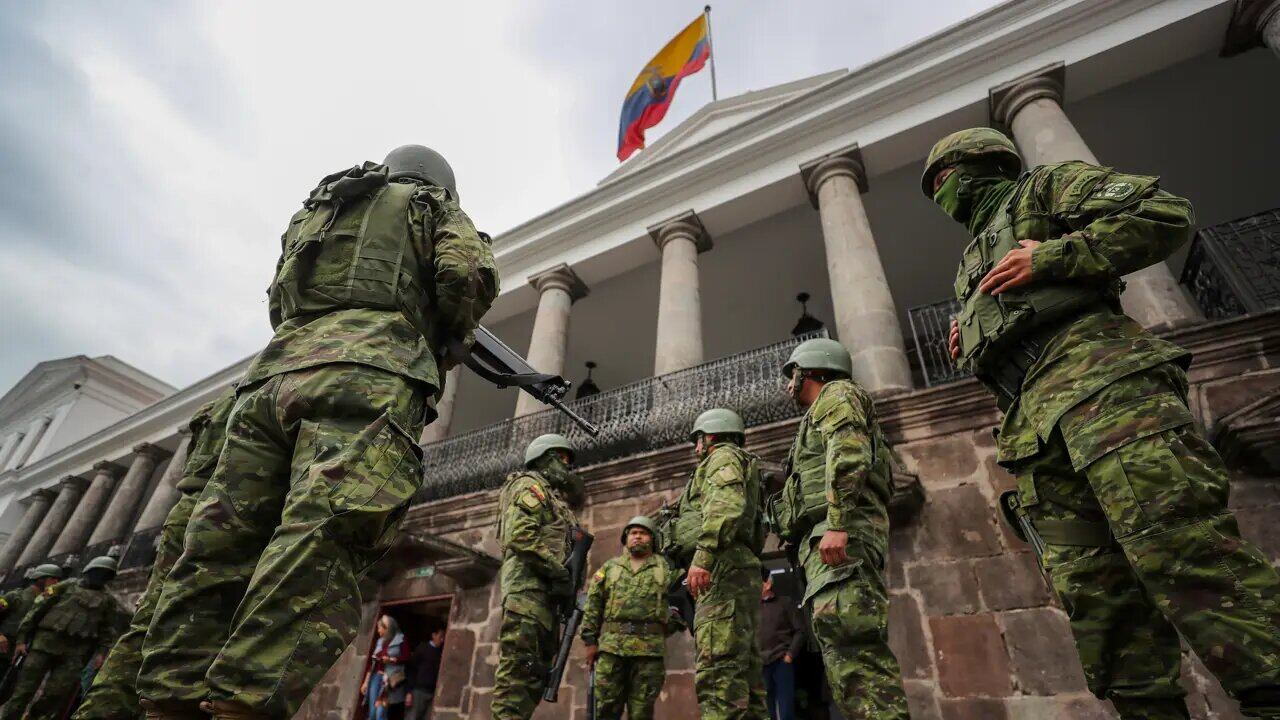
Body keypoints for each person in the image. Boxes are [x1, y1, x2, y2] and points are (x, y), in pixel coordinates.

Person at [922, 127, 1280, 719]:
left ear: (978, 165)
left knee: (1186, 554)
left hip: (1106, 391)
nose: (941, 195)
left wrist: (1054, 255)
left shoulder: (1047, 188)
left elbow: (1164, 214)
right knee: (1098, 601)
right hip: (1035, 430)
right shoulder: (969, 262)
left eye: (943, 179)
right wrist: (972, 330)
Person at [136, 145, 498, 720]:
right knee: (322, 534)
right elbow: (464, 275)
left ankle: (165, 700)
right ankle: (243, 705)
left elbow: (283, 296)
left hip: (273, 379)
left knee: (219, 545)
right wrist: (443, 331)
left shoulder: (323, 208)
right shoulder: (430, 206)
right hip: (369, 376)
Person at [75, 389, 235, 720]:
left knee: (149, 626)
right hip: (229, 515)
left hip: (192, 511)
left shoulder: (224, 401)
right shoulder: (282, 386)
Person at [771, 338, 908, 719]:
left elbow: (848, 454)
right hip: (827, 541)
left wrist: (838, 523)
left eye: (792, 375)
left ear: (809, 370)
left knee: (856, 652)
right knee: (845, 658)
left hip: (838, 538)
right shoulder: (822, 410)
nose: (788, 385)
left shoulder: (837, 393)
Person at [665, 408, 767, 720]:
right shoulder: (733, 461)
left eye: (698, 440)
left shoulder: (722, 456)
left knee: (718, 672)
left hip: (722, 568)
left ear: (711, 436)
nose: (696, 448)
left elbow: (725, 507)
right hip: (732, 568)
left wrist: (703, 557)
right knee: (745, 676)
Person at [491, 434, 583, 720]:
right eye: (562, 458)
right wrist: (560, 574)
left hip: (544, 602)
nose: (567, 466)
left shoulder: (554, 499)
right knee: (516, 679)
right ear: (544, 458)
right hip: (528, 598)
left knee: (531, 680)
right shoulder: (529, 486)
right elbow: (520, 536)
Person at [579, 516, 683, 720]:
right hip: (612, 650)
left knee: (641, 712)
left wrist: (669, 625)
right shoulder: (610, 568)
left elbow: (683, 599)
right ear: (626, 538)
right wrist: (590, 641)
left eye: (643, 533)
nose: (637, 537)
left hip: (649, 653)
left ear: (652, 539)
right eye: (633, 533)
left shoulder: (665, 568)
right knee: (606, 710)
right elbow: (593, 604)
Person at [0, 556, 128, 720]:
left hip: (74, 653)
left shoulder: (108, 601)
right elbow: (37, 611)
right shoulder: (65, 586)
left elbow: (107, 629)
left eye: (105, 575)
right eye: (98, 572)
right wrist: (21, 640)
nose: (100, 577)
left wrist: (101, 653)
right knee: (23, 690)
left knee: (56, 694)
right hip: (44, 645)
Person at [757, 569, 803, 720]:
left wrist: (790, 655)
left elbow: (800, 631)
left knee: (786, 707)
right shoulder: (752, 608)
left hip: (782, 660)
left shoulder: (785, 603)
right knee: (765, 708)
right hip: (761, 663)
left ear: (768, 584)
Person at [0, 564, 63, 670]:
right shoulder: (15, 596)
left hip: (19, 652)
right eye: (52, 579)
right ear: (40, 579)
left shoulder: (47, 603)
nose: (56, 583)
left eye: (58, 580)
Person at [361, 615, 408, 720]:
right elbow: (372, 663)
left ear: (388, 628)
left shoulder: (401, 639)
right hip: (376, 677)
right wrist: (365, 682)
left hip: (390, 679)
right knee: (373, 710)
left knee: (381, 712)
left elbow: (406, 657)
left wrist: (391, 660)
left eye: (380, 628)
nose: (378, 630)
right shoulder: (379, 641)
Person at [406, 626, 444, 720]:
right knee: (412, 717)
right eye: (441, 636)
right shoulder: (422, 648)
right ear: (433, 635)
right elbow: (412, 669)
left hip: (432, 693)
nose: (442, 640)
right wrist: (409, 691)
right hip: (418, 691)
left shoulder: (441, 653)